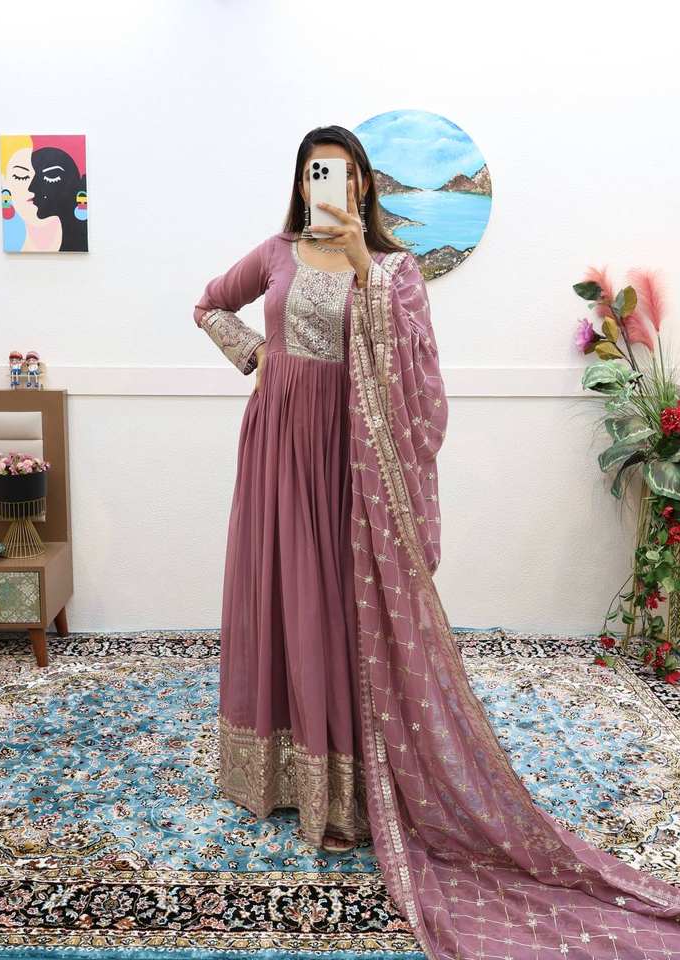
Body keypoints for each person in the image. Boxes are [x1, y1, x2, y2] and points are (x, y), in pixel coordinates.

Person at [194, 125, 680, 959]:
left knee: (332, 601)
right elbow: (208, 302)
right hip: (278, 442)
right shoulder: (274, 253)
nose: (327, 182)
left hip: (350, 455)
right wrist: (255, 357)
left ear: (363, 185)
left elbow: (417, 371)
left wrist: (359, 266)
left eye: (342, 172)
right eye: (314, 171)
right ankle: (280, 767)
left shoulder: (392, 269)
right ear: (300, 181)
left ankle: (347, 773)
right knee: (279, 588)